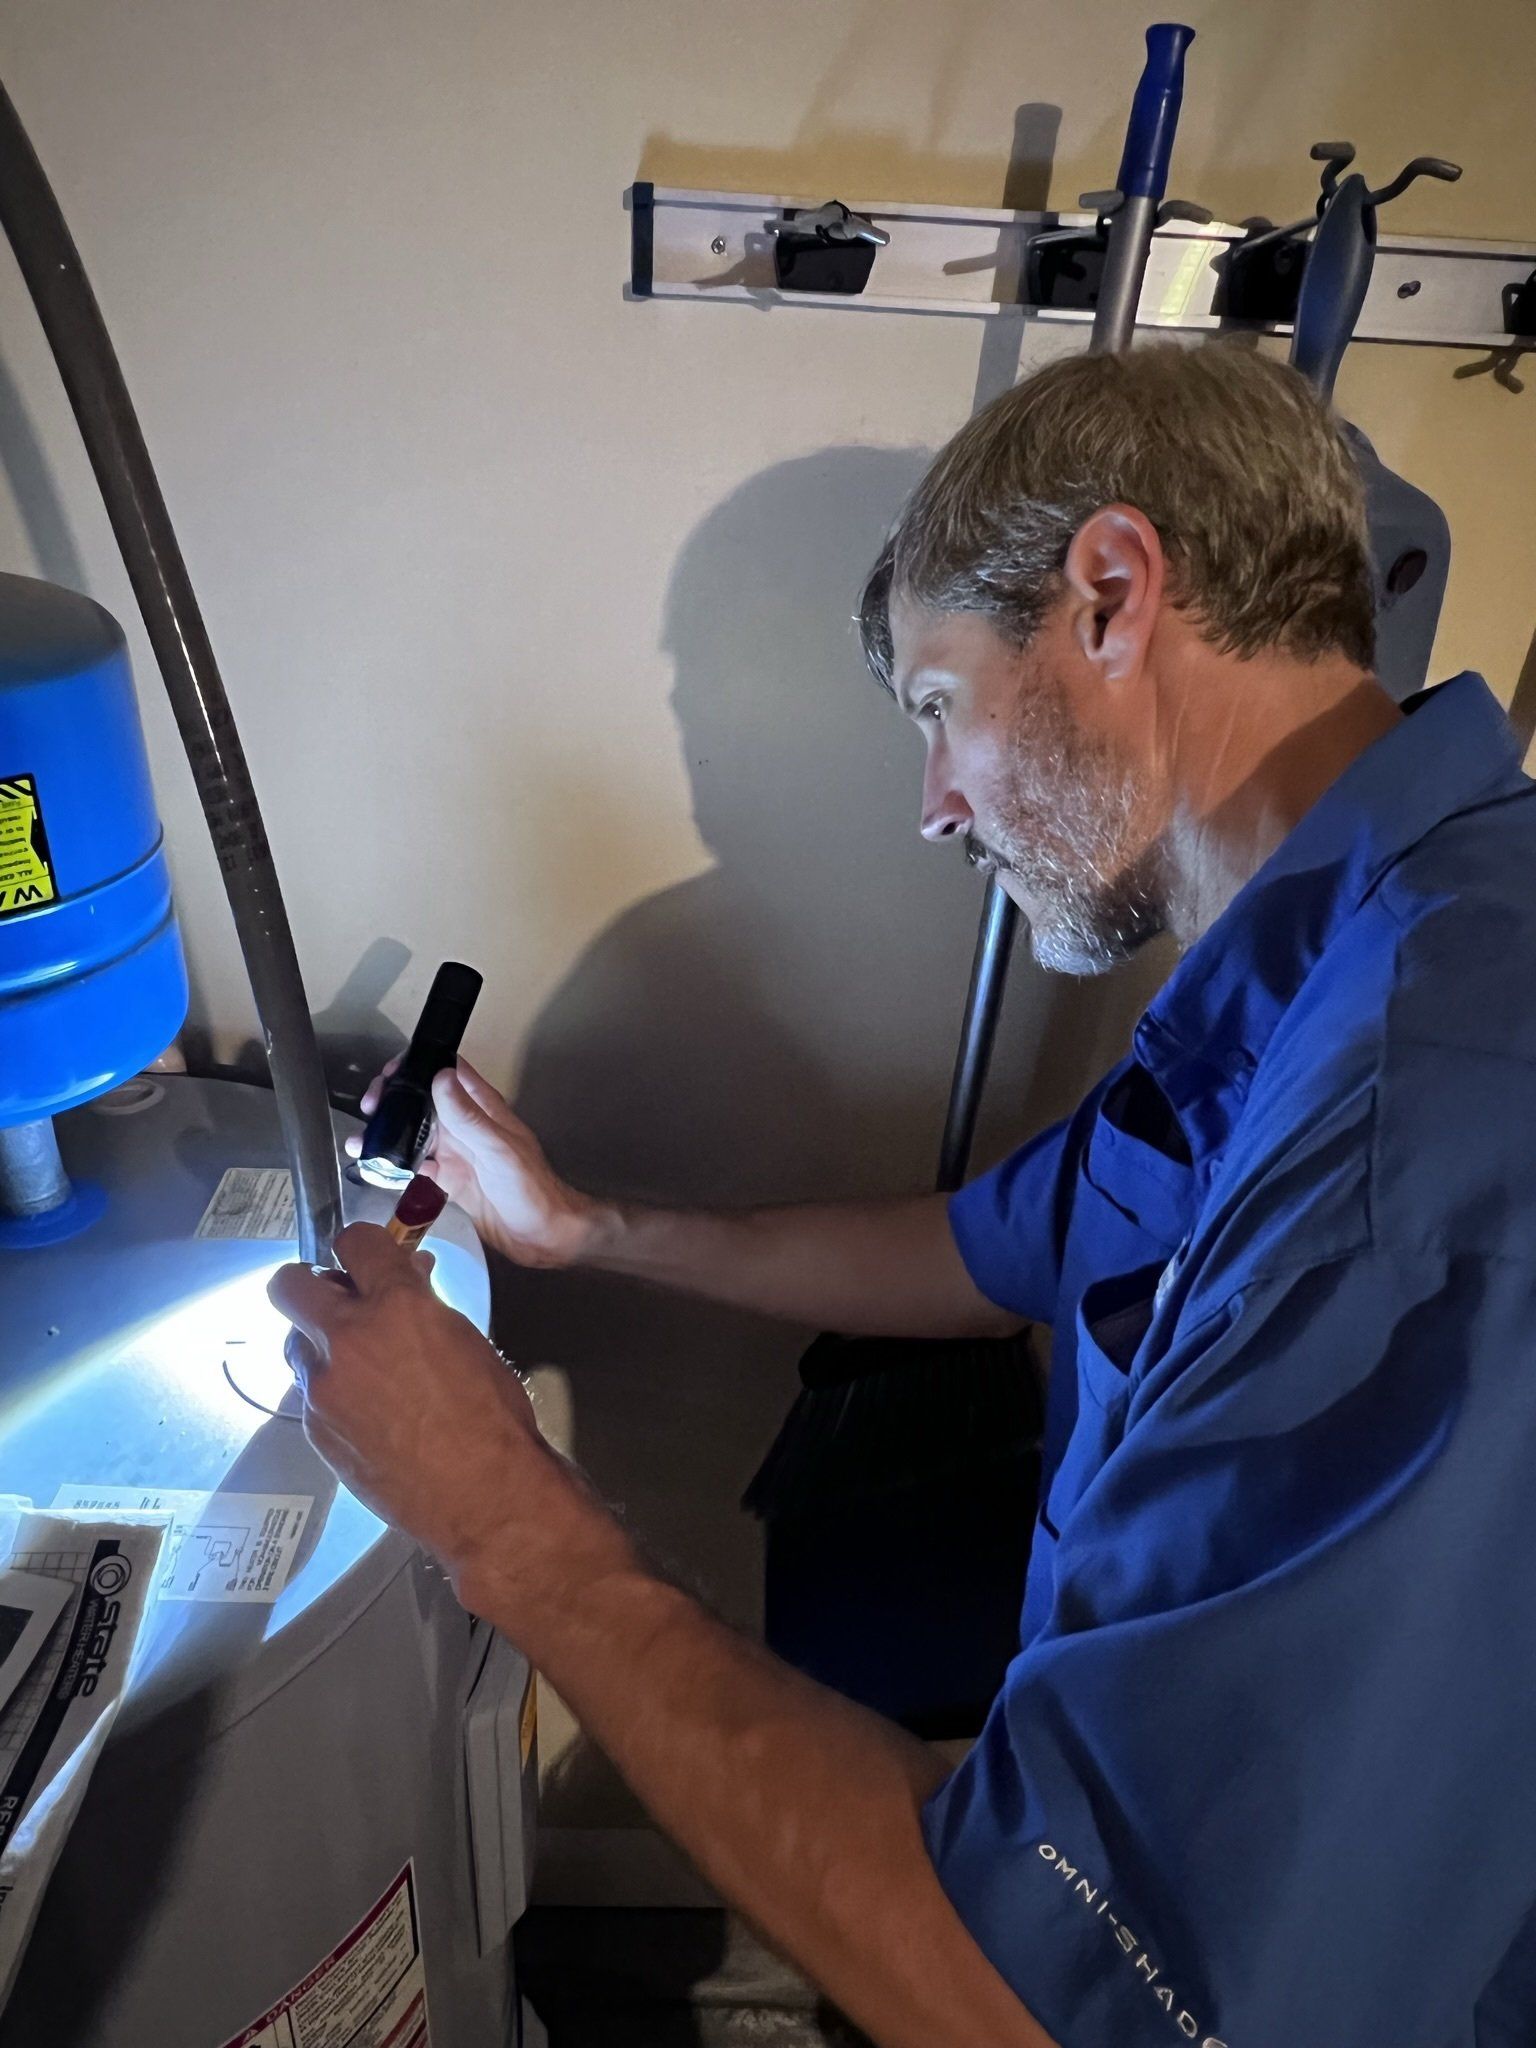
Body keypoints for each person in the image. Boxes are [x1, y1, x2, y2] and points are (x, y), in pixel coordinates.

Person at [271, 343, 1536, 2048]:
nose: (936, 809)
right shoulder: (1328, 948)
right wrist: (585, 1228)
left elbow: (1033, 2011)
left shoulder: (1416, 1124)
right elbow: (987, 1247)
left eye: (940, 710)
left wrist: (494, 1509)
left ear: (1111, 592)